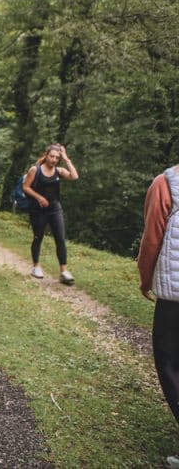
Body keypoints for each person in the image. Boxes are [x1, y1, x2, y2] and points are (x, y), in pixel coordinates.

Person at [138, 164, 179, 468]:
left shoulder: (166, 182)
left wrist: (145, 276)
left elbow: (153, 236)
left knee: (168, 360)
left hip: (175, 294)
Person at [22, 143, 78, 284]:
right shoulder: (35, 170)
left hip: (55, 210)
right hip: (38, 210)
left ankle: (64, 271)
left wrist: (66, 159)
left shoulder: (59, 171)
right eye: (51, 156)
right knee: (38, 237)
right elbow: (25, 187)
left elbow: (74, 176)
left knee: (60, 239)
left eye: (57, 157)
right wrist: (39, 197)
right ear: (46, 155)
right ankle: (36, 266)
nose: (54, 159)